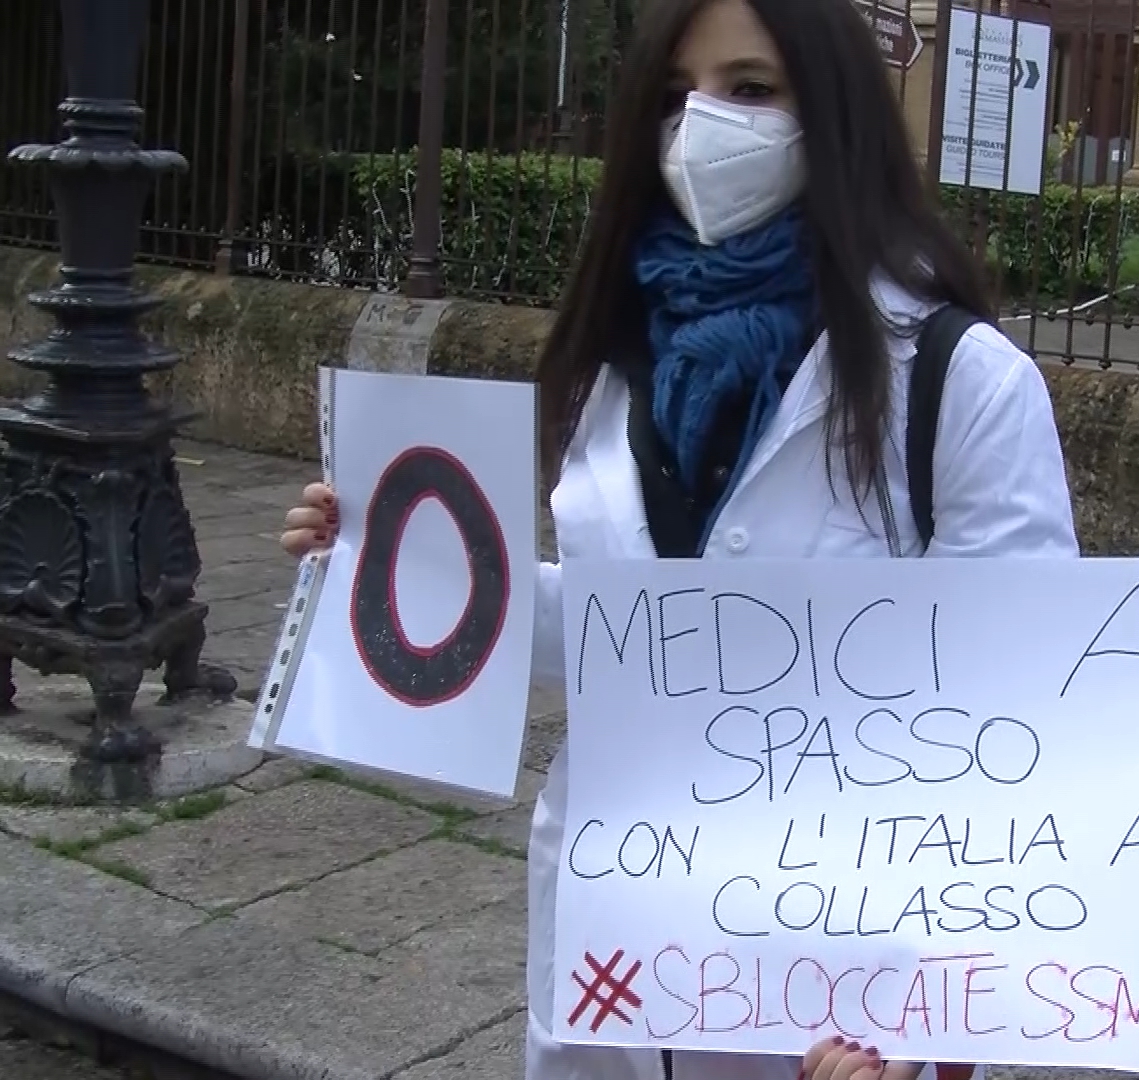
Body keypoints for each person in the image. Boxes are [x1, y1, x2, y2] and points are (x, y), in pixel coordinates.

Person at [278, 0, 1079, 1078]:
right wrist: (387, 567)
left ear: (832, 110)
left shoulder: (959, 385)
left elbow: (1022, 721)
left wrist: (925, 1021)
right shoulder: (625, 361)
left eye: (751, 90)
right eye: (673, 97)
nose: (703, 126)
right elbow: (632, 636)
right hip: (618, 943)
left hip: (832, 998)